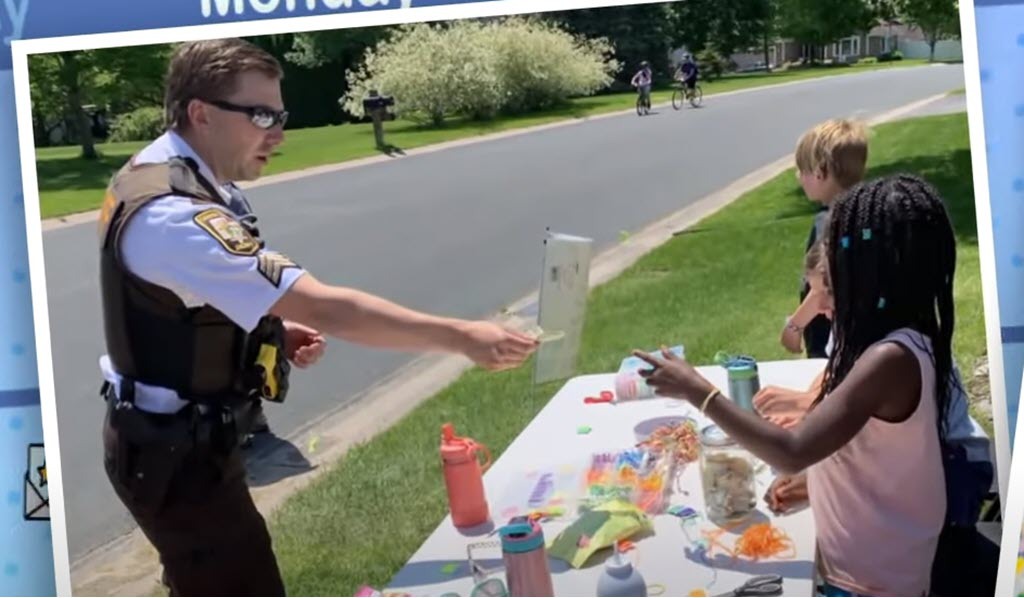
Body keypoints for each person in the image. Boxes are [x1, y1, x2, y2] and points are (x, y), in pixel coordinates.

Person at [96, 38, 539, 596]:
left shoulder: (168, 170)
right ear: (201, 114)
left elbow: (183, 299)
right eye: (260, 115)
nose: (277, 133)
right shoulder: (173, 218)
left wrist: (270, 331)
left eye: (280, 115)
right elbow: (328, 306)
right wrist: (463, 337)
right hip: (175, 454)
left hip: (174, 438)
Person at [634, 174, 956, 596]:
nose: (820, 303)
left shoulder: (890, 360)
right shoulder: (900, 339)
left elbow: (792, 451)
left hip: (869, 583)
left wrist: (699, 390)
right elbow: (876, 457)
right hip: (874, 564)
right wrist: (821, 482)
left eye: (833, 282)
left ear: (874, 275)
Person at [792, 119, 868, 359]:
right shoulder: (867, 211)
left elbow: (822, 286)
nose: (798, 177)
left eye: (802, 170)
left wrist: (794, 327)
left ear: (820, 172)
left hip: (829, 337)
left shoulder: (828, 222)